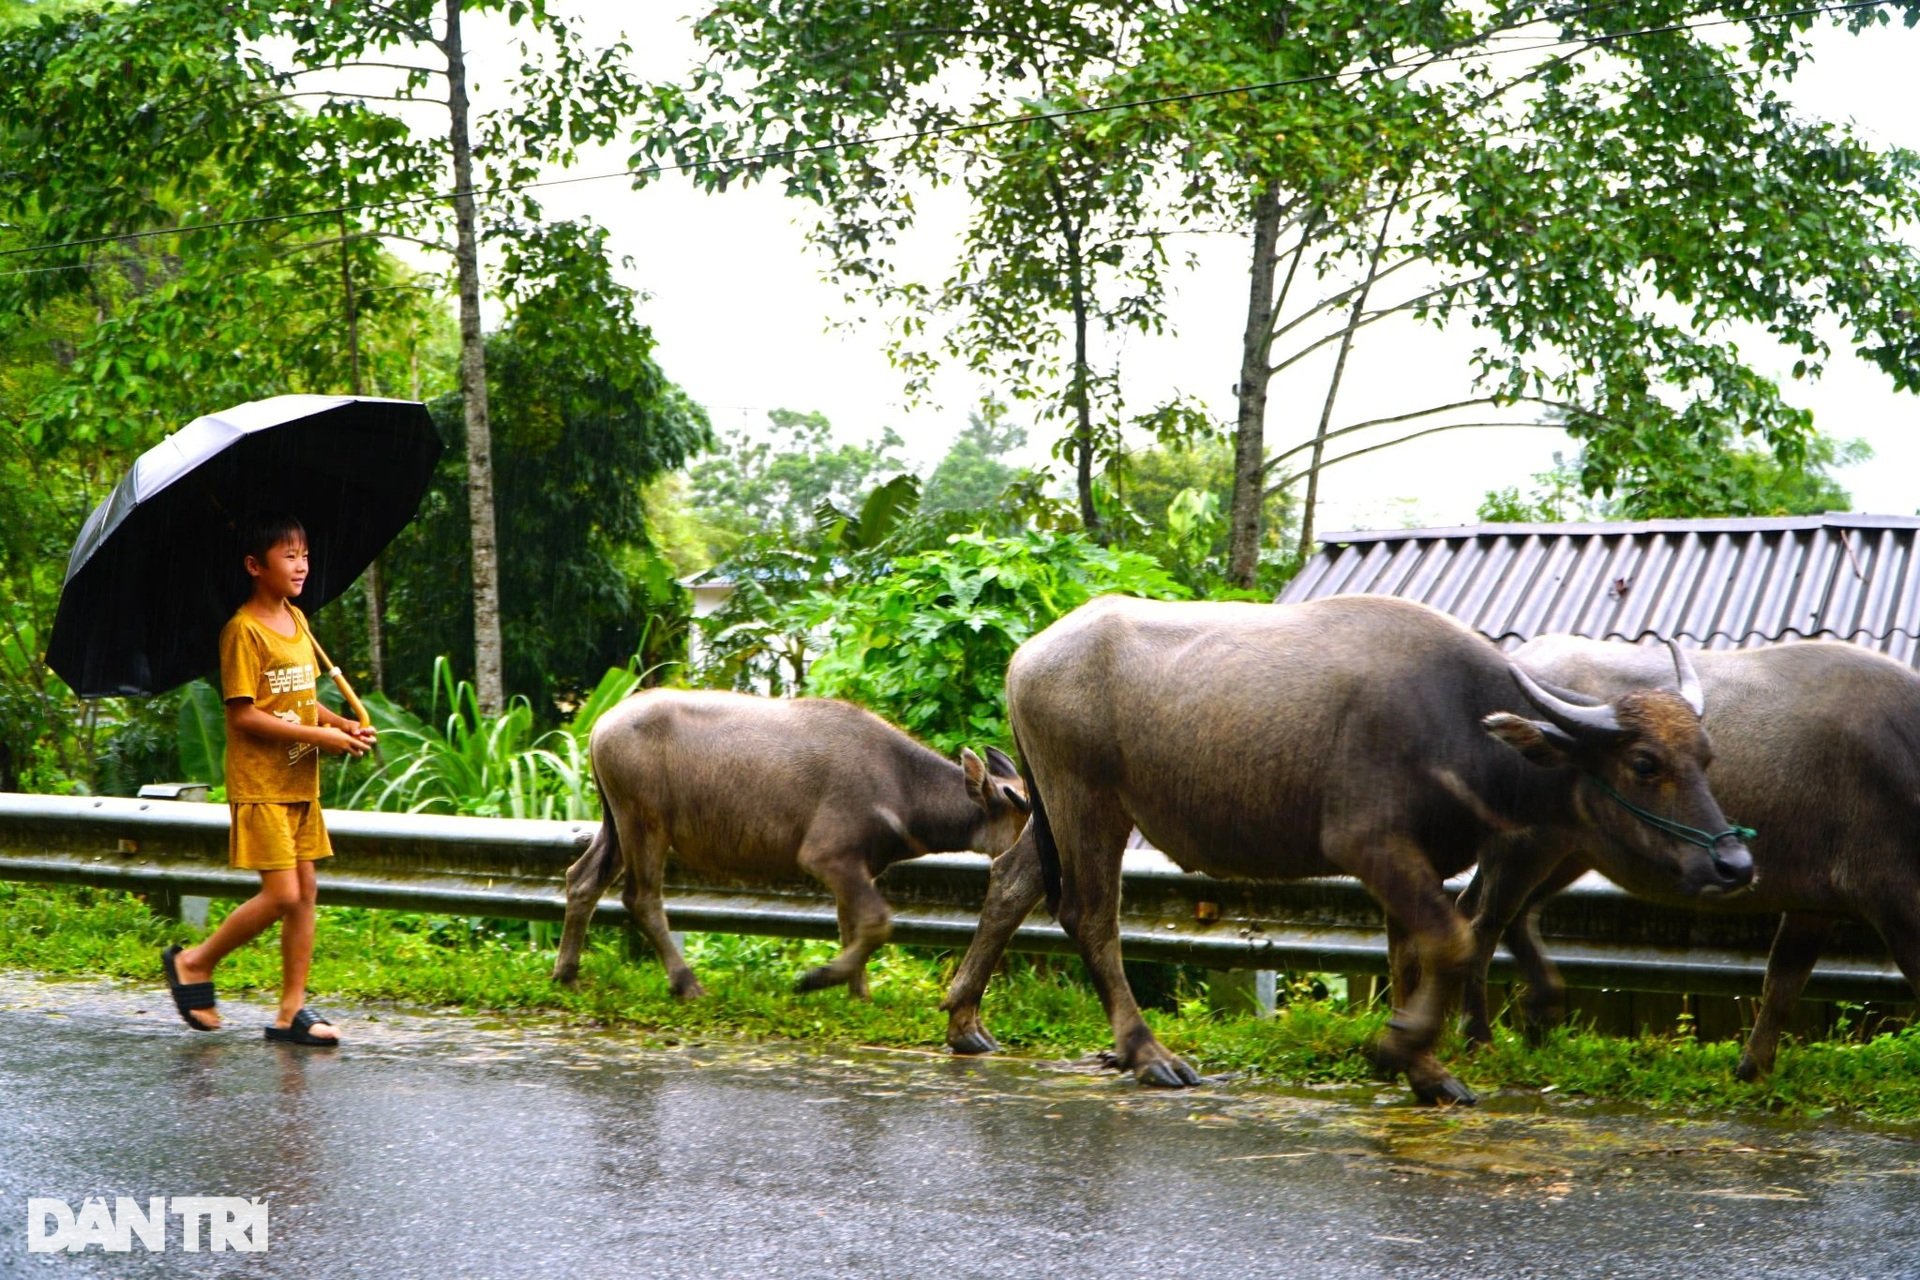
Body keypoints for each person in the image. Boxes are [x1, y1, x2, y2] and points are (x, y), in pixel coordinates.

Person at [160, 514, 375, 1045]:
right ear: (255, 566)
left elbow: (300, 703)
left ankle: (290, 1012)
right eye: (288, 556)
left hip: (300, 780)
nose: (301, 565)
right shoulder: (242, 631)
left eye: (304, 555)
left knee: (305, 893)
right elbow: (245, 716)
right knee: (281, 894)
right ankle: (194, 961)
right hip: (261, 783)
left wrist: (339, 723)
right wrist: (325, 739)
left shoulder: (298, 622)